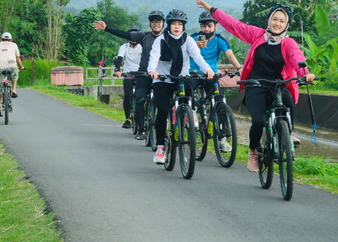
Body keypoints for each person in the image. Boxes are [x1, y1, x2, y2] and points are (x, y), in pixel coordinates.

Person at [196, 0, 315, 172]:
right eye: (275, 19)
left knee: (287, 101)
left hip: (277, 83)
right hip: (254, 84)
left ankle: (288, 133)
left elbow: (298, 58)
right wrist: (212, 10)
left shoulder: (288, 43)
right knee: (258, 121)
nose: (277, 23)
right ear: (269, 20)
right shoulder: (257, 35)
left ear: (286, 24)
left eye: (282, 21)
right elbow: (234, 25)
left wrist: (305, 74)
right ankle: (253, 151)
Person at [147, 9, 214, 164]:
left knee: (188, 94)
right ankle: (160, 147)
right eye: (173, 24)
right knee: (163, 110)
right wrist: (152, 70)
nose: (176, 27)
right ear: (168, 25)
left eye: (180, 24)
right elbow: (154, 56)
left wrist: (207, 69)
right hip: (162, 79)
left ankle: (187, 115)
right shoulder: (161, 40)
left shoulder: (188, 40)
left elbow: (197, 56)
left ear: (183, 26)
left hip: (180, 79)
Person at [93, 10, 165, 140]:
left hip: (161, 75)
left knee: (164, 103)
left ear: (163, 24)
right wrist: (107, 28)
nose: (156, 24)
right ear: (150, 24)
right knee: (139, 99)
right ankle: (141, 130)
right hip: (144, 74)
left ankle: (163, 130)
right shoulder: (144, 36)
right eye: (153, 21)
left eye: (158, 21)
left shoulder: (167, 38)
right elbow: (125, 35)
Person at [188, 11, 243, 152]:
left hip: (211, 75)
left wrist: (239, 67)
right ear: (200, 26)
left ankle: (222, 139)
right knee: (188, 91)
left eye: (210, 26)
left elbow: (229, 54)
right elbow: (184, 53)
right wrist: (196, 46)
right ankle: (192, 111)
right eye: (204, 26)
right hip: (194, 73)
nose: (207, 29)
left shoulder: (220, 40)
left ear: (215, 26)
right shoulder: (192, 38)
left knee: (219, 101)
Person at [114, 26, 143, 129]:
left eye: (136, 35)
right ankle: (127, 119)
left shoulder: (143, 47)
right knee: (128, 95)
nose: (134, 37)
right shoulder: (124, 47)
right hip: (128, 73)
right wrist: (117, 70)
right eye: (132, 35)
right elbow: (119, 59)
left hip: (141, 73)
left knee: (144, 96)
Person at [0, 32, 25, 117]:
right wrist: (21, 67)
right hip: (12, 66)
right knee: (14, 75)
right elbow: (18, 58)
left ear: (1, 39)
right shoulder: (14, 45)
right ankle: (14, 89)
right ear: (10, 40)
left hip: (0, 67)